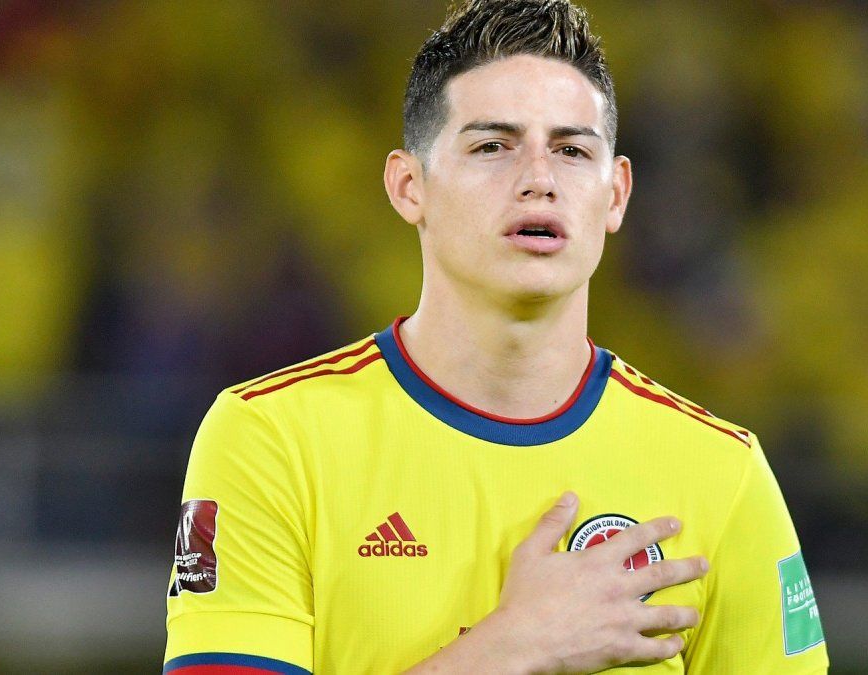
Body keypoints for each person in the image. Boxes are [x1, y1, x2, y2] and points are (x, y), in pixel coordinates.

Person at [163, 1, 828, 673]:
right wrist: (515, 645)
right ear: (408, 186)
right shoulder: (271, 439)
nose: (539, 180)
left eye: (571, 150)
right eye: (492, 146)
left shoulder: (721, 473)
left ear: (617, 194)